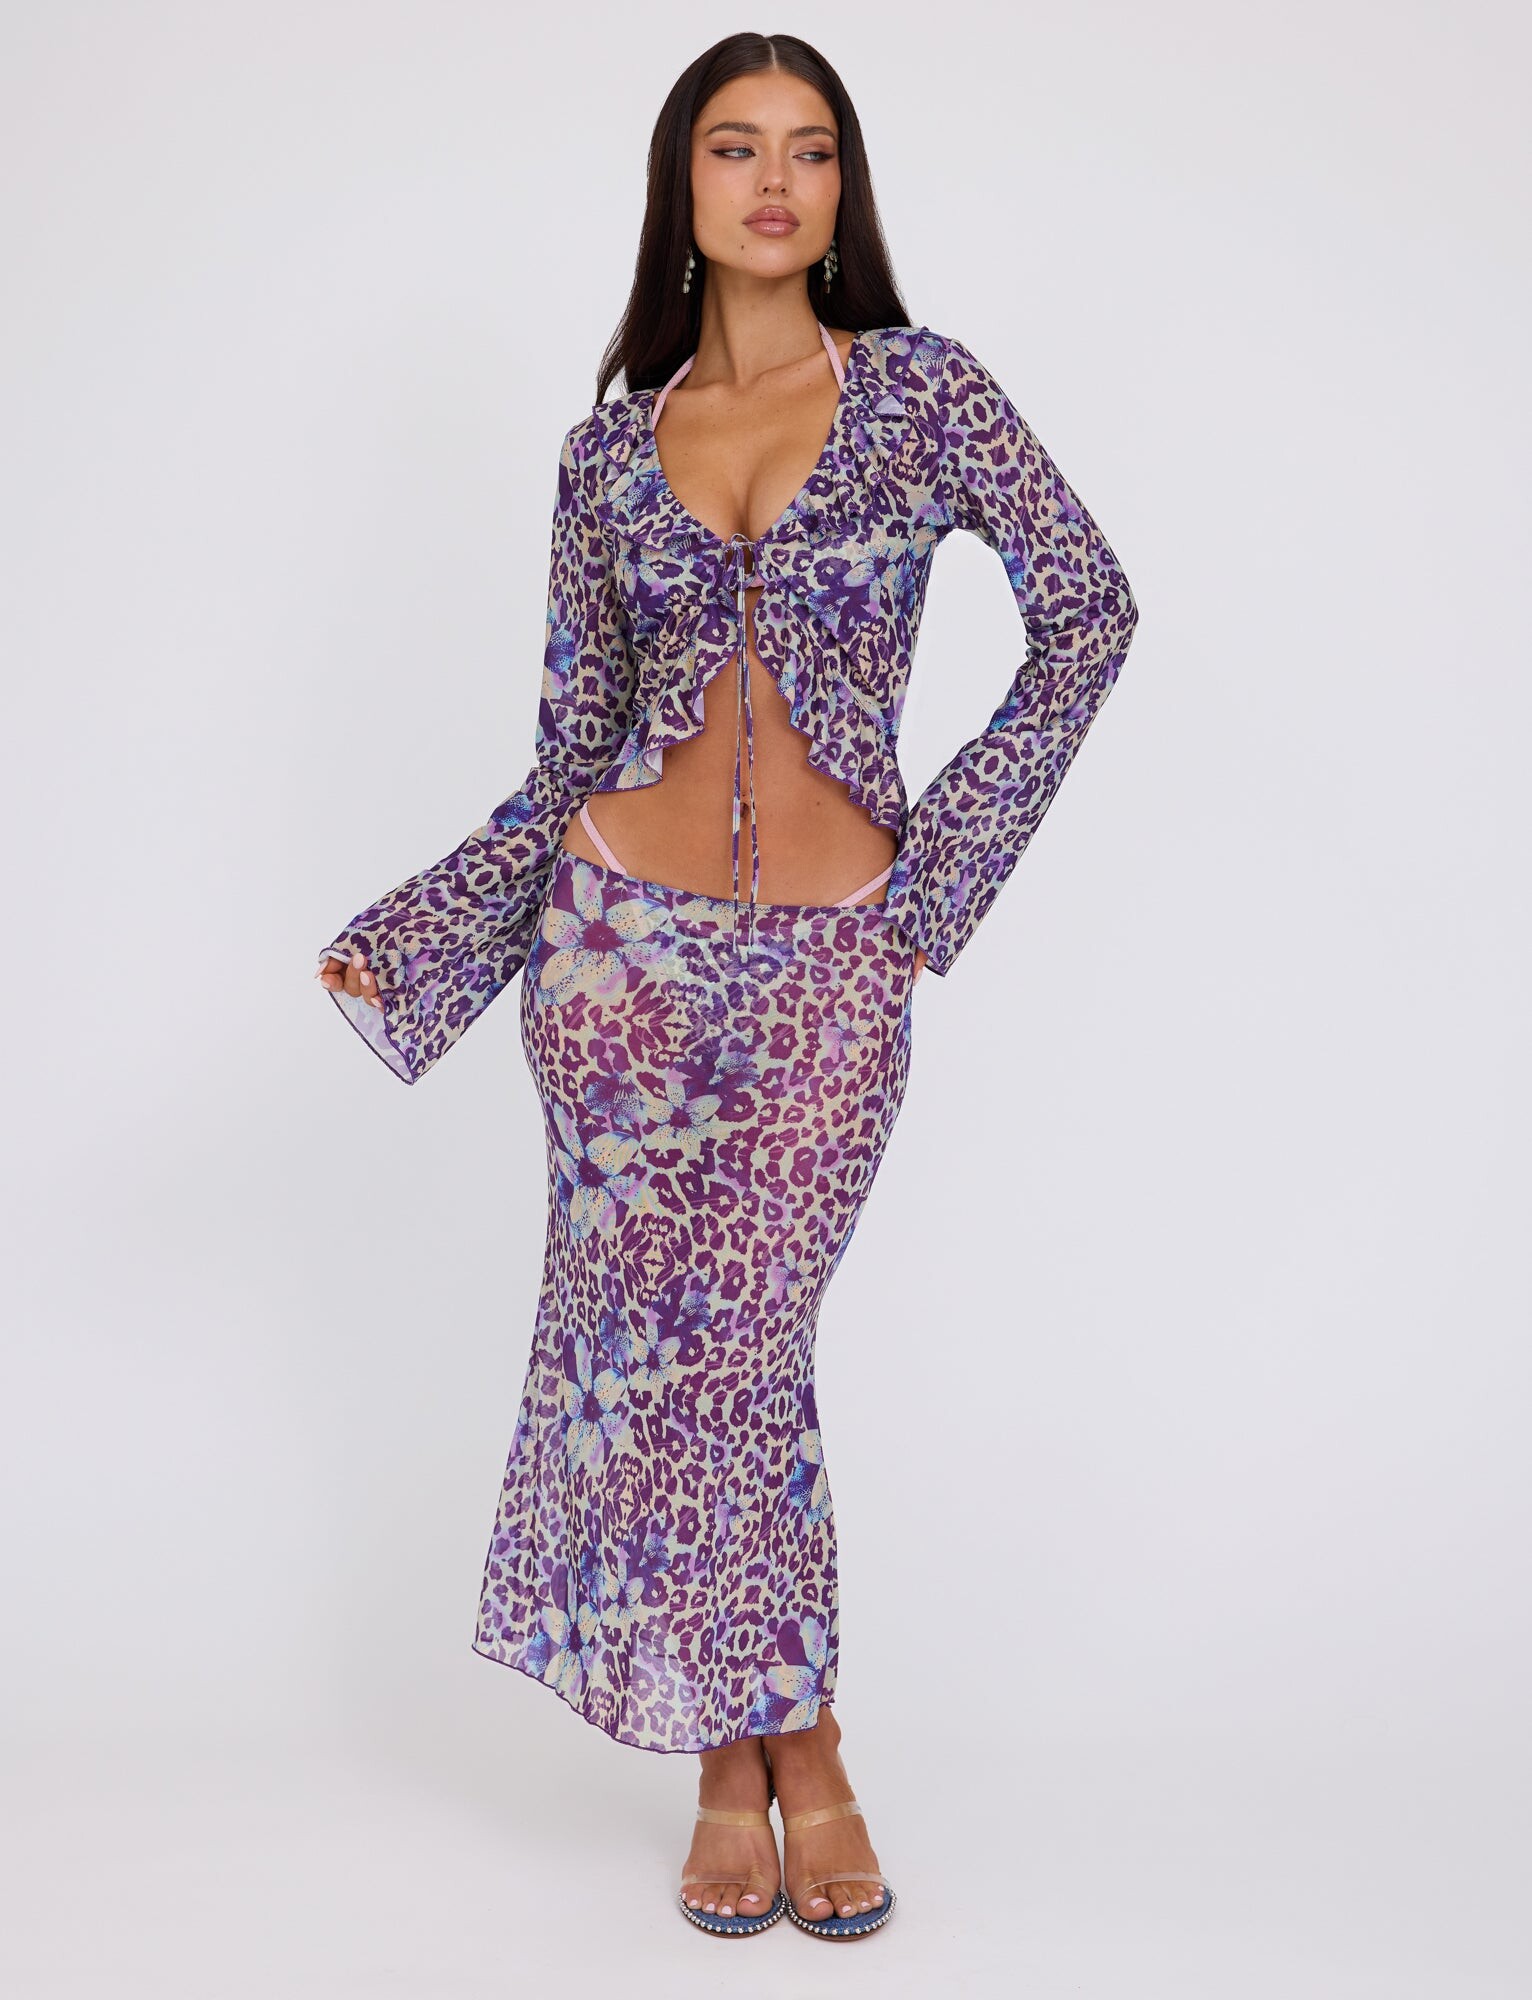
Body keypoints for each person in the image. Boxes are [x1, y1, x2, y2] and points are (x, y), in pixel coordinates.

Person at [314, 31, 1138, 1944]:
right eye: (735, 147)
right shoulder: (609, 453)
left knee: (740, 1345)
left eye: (811, 150)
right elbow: (569, 748)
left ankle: (781, 1739)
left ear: (843, 195)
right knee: (680, 1360)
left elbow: (1089, 610)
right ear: (679, 191)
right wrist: (432, 928)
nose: (775, 181)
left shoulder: (925, 394)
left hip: (834, 960)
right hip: (615, 964)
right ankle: (764, 1762)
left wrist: (940, 876)